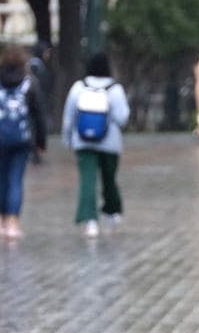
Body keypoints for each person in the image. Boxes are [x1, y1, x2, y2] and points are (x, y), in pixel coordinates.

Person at [61, 52, 130, 238]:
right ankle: (112, 212)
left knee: (87, 180)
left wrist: (67, 139)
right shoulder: (115, 89)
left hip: (82, 141)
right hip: (110, 143)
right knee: (109, 179)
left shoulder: (78, 87)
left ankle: (90, 220)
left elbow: (69, 117)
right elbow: (122, 118)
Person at [0, 44, 46, 240]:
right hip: (21, 138)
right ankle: (13, 222)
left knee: (1, 179)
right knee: (15, 180)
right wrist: (41, 142)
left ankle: (1, 222)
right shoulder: (30, 82)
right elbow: (38, 114)